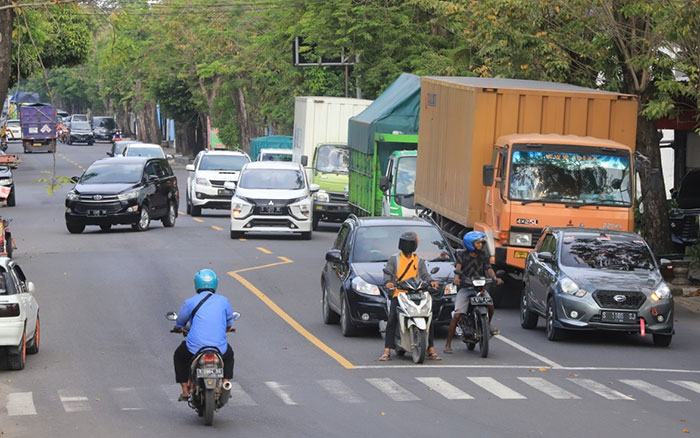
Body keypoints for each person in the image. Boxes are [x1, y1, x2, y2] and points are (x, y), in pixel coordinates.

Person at [173, 269, 235, 401]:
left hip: (195, 348)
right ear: (215, 283)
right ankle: (225, 383)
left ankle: (184, 390)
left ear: (196, 283)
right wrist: (227, 328)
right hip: (219, 348)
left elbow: (180, 322)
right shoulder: (223, 301)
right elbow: (229, 322)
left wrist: (178, 328)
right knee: (229, 356)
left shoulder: (190, 302)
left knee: (179, 356)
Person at [379, 232, 442, 361]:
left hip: (417, 293)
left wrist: (431, 282)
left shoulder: (419, 260)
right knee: (392, 320)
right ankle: (387, 351)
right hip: (400, 293)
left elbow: (425, 275)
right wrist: (388, 283)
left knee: (428, 318)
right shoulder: (394, 259)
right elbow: (387, 274)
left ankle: (431, 349)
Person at [444, 231, 503, 354]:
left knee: (490, 304)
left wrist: (494, 278)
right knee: (457, 315)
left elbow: (489, 268)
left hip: (479, 288)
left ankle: (488, 324)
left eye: (481, 243)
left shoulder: (483, 255)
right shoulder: (462, 255)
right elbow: (458, 269)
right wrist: (457, 279)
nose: (480, 245)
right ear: (470, 244)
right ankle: (448, 344)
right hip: (466, 287)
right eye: (477, 243)